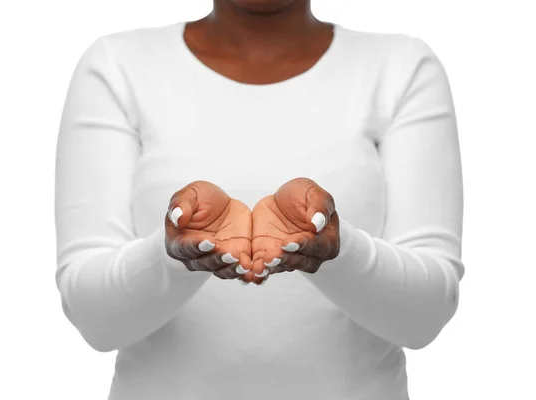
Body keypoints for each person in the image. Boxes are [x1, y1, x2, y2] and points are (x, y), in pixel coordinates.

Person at [54, 0, 465, 398]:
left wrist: (338, 253)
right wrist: (172, 256)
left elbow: (424, 318)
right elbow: (95, 320)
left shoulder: (401, 68)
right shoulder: (117, 66)